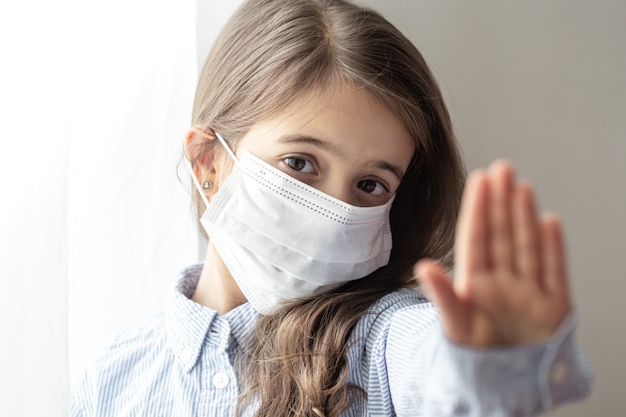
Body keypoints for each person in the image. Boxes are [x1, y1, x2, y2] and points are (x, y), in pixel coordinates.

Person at [70, 0, 593, 416]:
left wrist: (492, 364)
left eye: (370, 183)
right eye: (300, 163)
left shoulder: (379, 340)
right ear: (209, 162)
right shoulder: (112, 380)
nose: (334, 210)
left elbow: (439, 373)